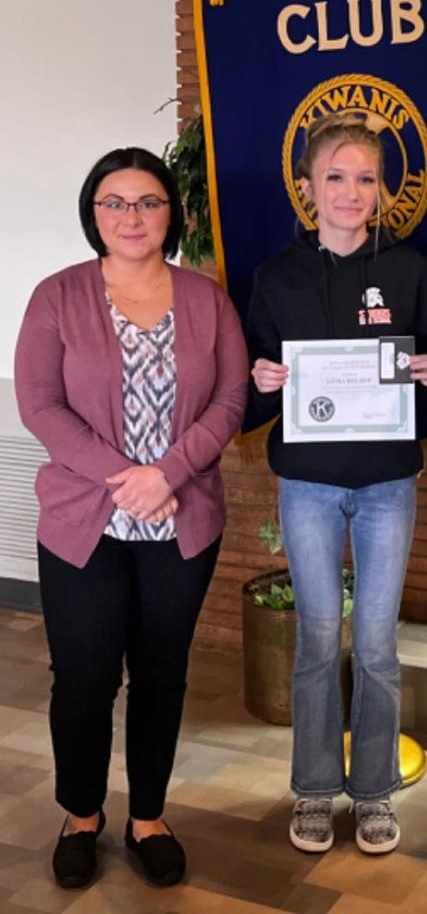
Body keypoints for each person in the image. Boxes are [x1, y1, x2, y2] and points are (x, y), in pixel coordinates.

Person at [14, 148, 248, 889]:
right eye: (114, 203)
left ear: (171, 213)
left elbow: (232, 401)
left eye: (147, 202)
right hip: (88, 521)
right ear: (93, 214)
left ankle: (148, 817)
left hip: (181, 523)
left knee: (161, 674)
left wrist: (169, 474)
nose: (131, 217)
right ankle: (81, 815)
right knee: (82, 676)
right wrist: (129, 480)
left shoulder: (208, 298)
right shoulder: (57, 296)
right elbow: (40, 406)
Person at [245, 113, 427, 856]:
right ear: (308, 188)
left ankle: (373, 794)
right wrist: (261, 378)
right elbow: (261, 385)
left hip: (388, 482)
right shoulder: (275, 276)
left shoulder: (411, 270)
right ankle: (312, 789)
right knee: (318, 640)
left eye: (366, 177)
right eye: (335, 176)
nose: (351, 191)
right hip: (307, 484)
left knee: (378, 643)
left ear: (383, 189)